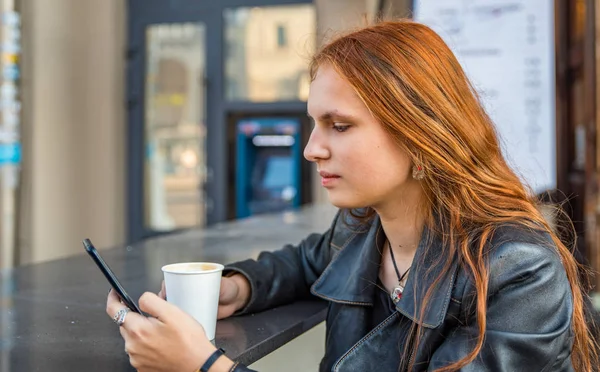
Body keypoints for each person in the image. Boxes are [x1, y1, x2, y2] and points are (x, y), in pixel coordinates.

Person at [106, 20, 599, 371]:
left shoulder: (519, 271)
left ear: (421, 135)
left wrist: (204, 366)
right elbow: (303, 264)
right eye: (313, 124)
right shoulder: (362, 227)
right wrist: (238, 289)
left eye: (339, 126)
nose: (311, 150)